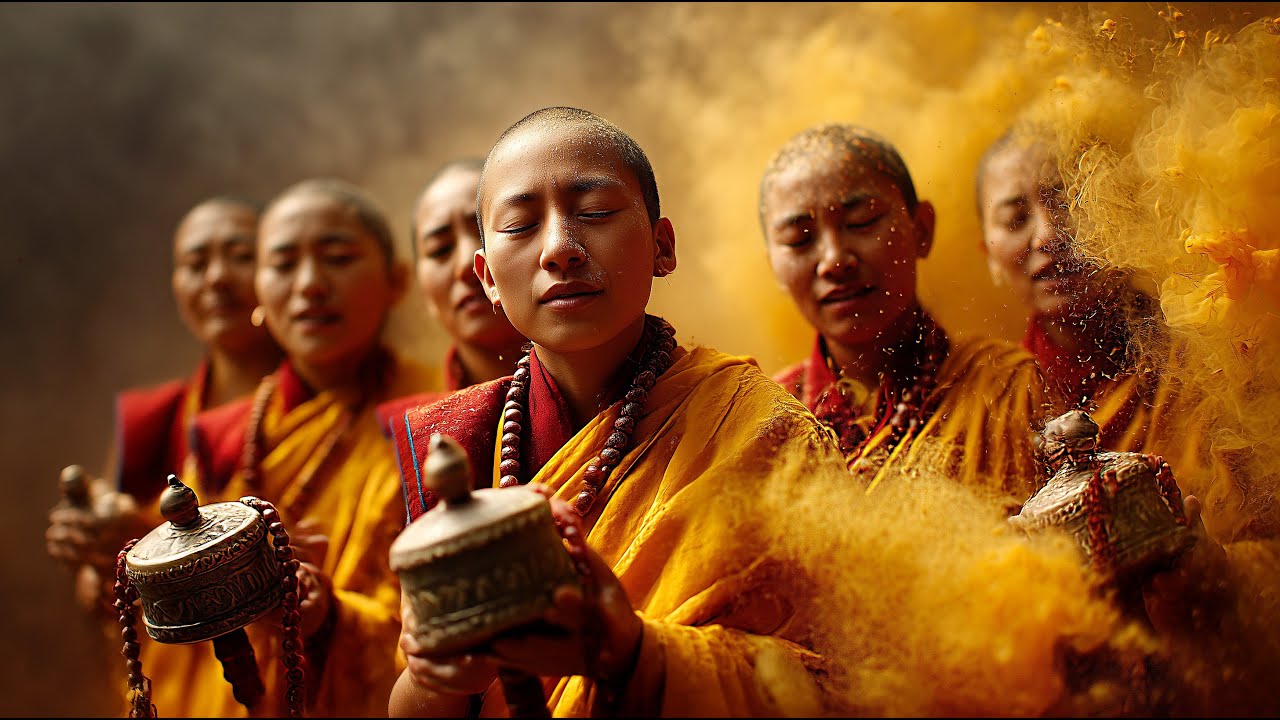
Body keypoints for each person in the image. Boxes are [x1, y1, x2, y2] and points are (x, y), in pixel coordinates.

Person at [385, 107, 854, 717]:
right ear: (488, 279)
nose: (560, 249)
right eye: (522, 225)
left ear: (663, 246)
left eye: (597, 213)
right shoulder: (455, 441)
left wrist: (634, 653)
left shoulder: (759, 428)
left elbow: (841, 682)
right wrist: (436, 674)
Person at [976, 130, 1280, 714]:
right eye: (1016, 218)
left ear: (1122, 212)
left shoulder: (1223, 360)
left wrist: (1224, 578)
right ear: (988, 255)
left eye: (1071, 203)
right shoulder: (988, 404)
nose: (1047, 236)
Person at [141, 179, 434, 717]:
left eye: (339, 258)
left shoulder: (437, 416)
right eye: (282, 265)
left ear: (396, 282)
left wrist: (329, 616)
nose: (310, 286)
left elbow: (442, 617)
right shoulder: (225, 434)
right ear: (258, 289)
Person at [760, 123, 1055, 505]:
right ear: (774, 268)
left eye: (862, 222)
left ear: (921, 229)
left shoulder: (1007, 389)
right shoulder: (769, 422)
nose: (834, 260)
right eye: (800, 240)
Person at [45, 196, 281, 612]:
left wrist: (145, 535)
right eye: (195, 264)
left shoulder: (317, 401)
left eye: (242, 256)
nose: (218, 278)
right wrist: (93, 549)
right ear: (176, 286)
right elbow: (100, 595)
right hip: (172, 667)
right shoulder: (154, 418)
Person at [376, 159, 527, 433]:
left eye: (486, 233)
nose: (467, 266)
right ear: (422, 288)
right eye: (440, 249)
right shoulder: (407, 429)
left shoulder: (610, 395)